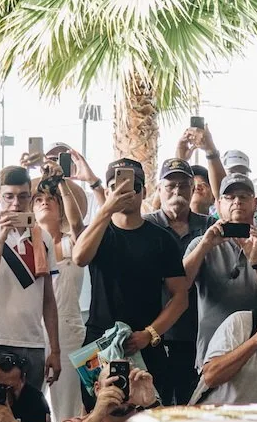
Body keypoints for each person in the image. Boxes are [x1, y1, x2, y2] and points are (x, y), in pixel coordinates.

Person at [73, 158, 187, 407]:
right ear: (107, 191)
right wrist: (105, 211)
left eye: (133, 185)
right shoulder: (98, 233)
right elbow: (79, 257)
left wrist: (151, 333)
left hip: (144, 343)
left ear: (144, 191)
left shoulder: (162, 239)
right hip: (98, 344)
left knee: (150, 421)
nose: (125, 192)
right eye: (116, 186)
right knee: (97, 420)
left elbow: (180, 297)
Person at [0, 165, 61, 392]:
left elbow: (48, 299)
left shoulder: (43, 238)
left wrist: (55, 350)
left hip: (34, 342)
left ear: (30, 197)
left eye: (22, 197)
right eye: (8, 197)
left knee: (32, 415)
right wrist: (1, 237)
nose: (15, 204)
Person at [183, 174, 257, 367]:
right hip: (213, 354)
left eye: (244, 196)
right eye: (230, 197)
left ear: (255, 203)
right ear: (219, 203)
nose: (237, 202)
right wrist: (205, 245)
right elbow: (180, 287)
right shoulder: (200, 243)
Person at [143, 158, 210, 405]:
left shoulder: (208, 226)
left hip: (195, 334)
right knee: (152, 404)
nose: (177, 191)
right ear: (159, 190)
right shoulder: (146, 225)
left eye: (183, 185)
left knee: (189, 406)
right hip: (152, 333)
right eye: (170, 186)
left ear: (193, 189)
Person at [32, 174, 88, 422]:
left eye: (51, 199)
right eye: (39, 199)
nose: (45, 203)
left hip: (67, 330)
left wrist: (60, 181)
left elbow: (77, 223)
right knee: (30, 402)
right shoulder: (24, 245)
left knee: (68, 408)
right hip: (32, 328)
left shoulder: (72, 243)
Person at [52, 366, 159, 422]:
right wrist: (96, 415)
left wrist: (152, 404)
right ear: (97, 389)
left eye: (126, 383)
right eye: (112, 383)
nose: (120, 389)